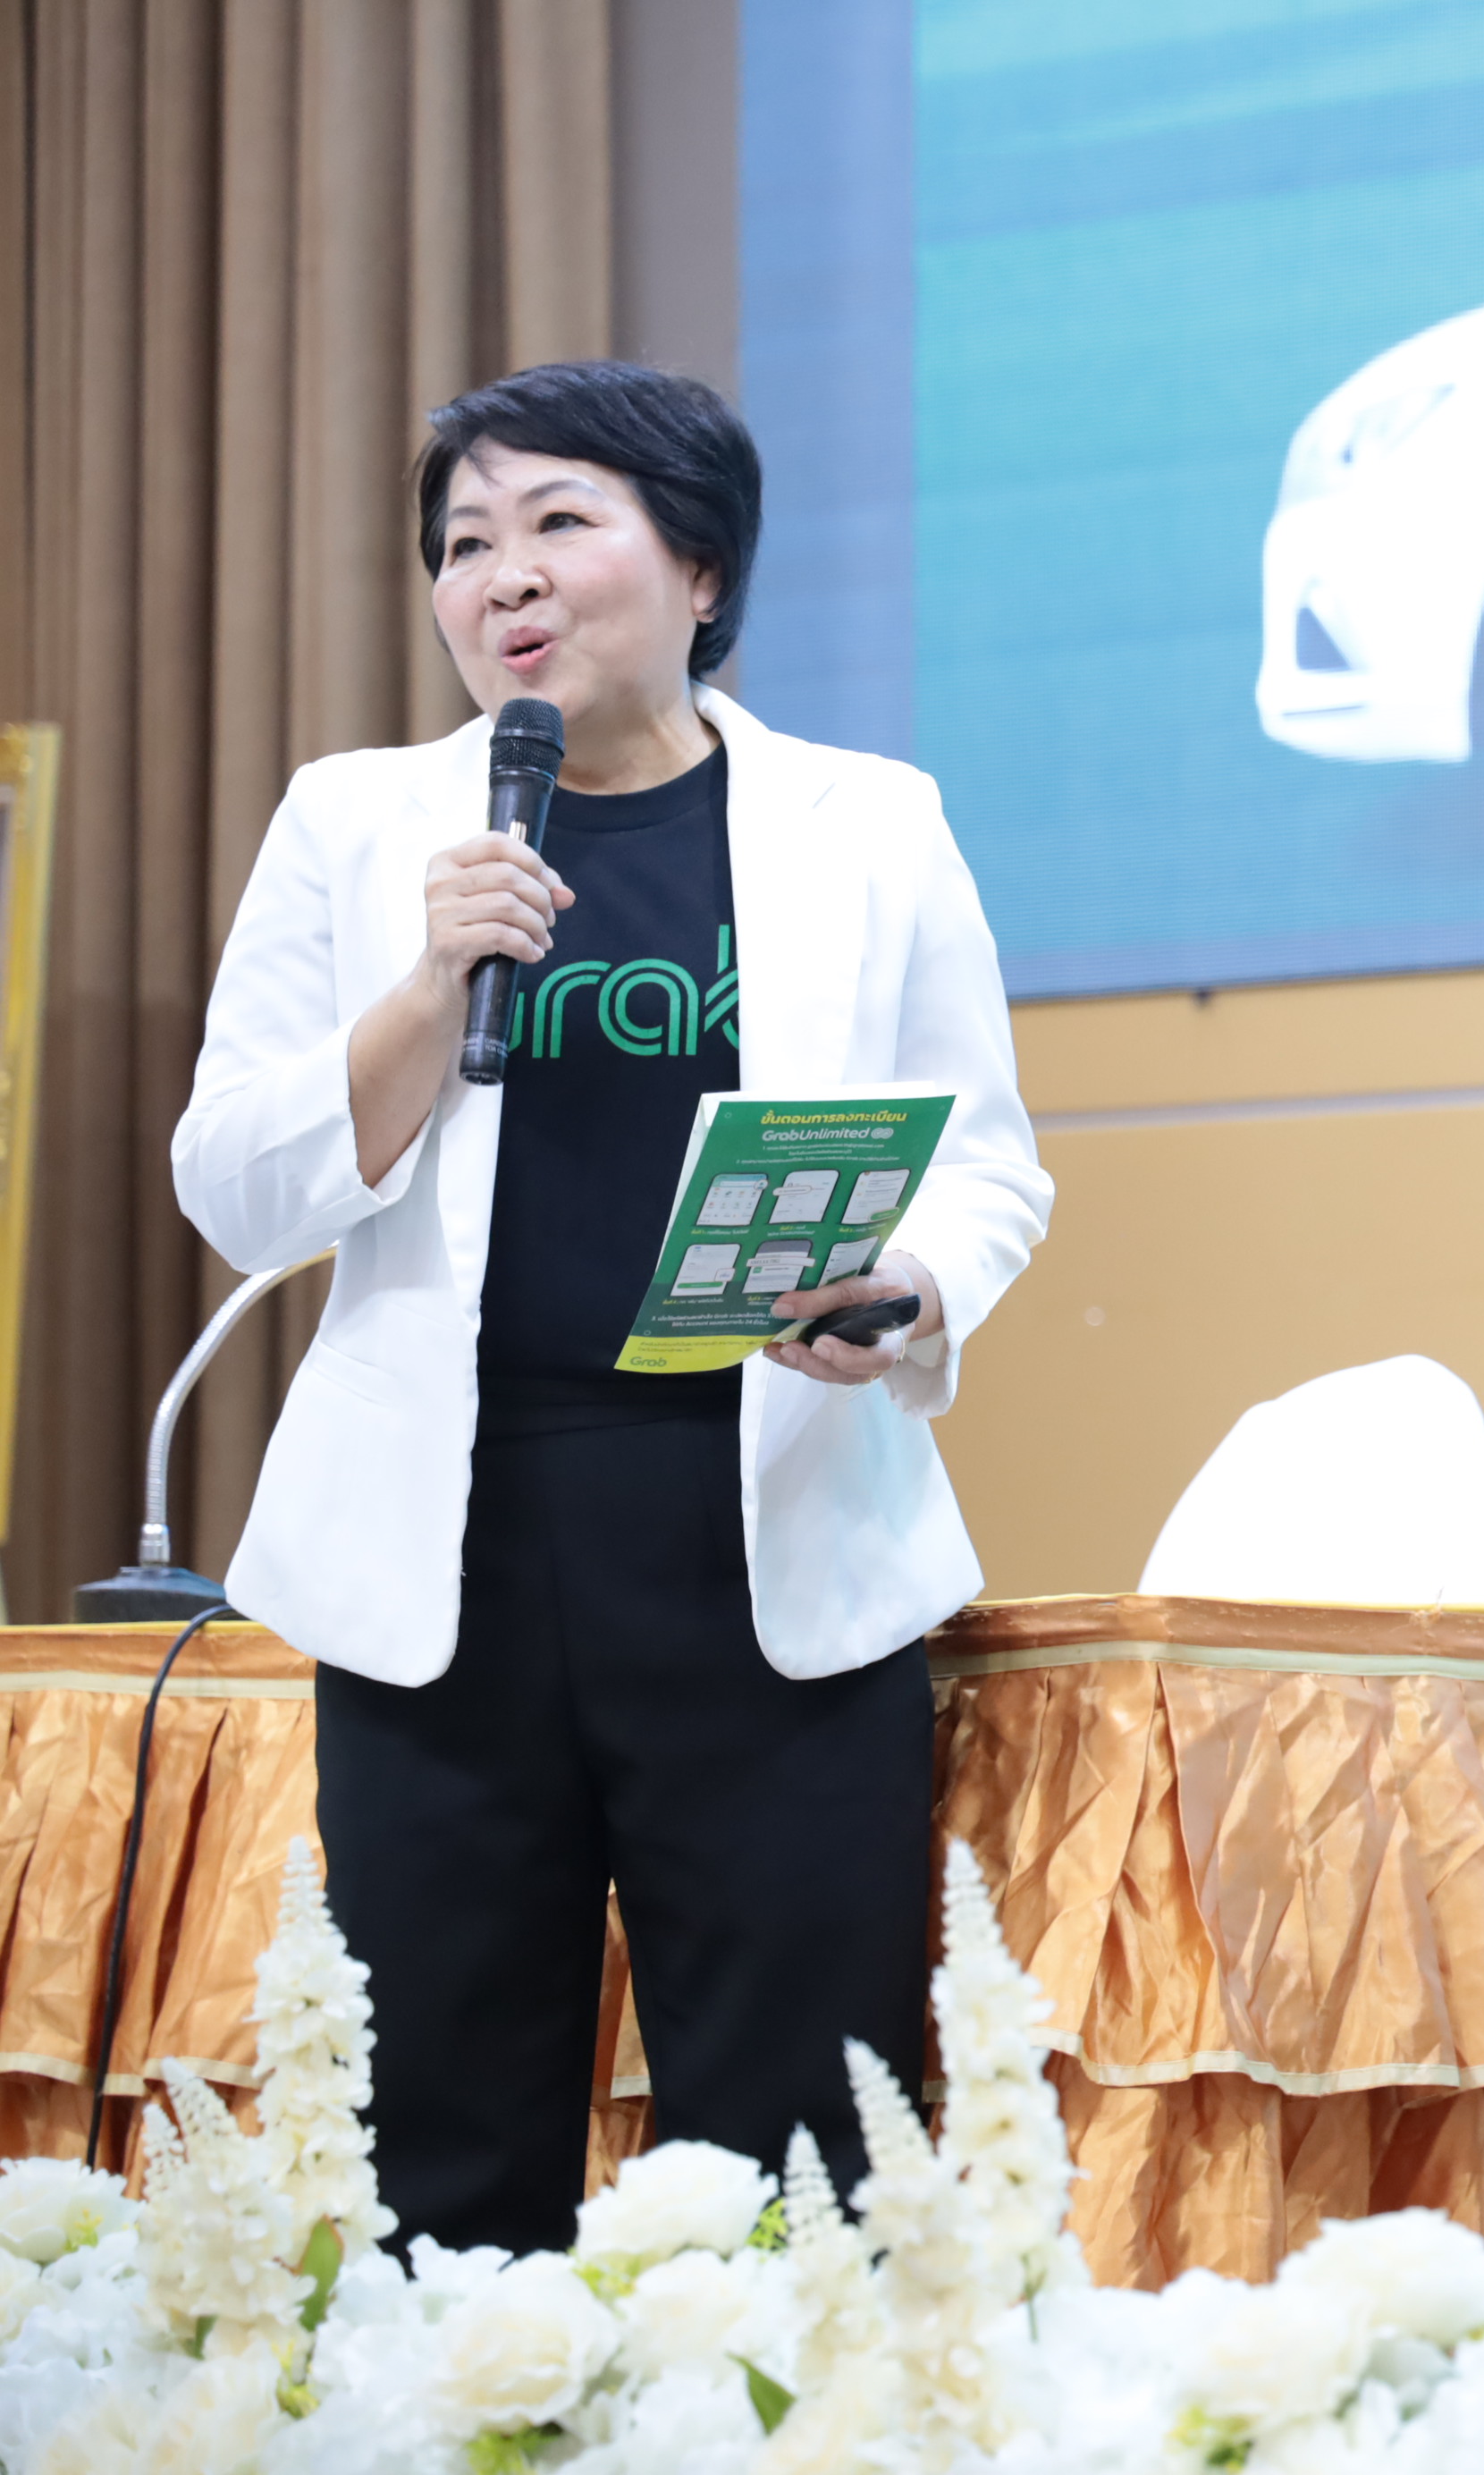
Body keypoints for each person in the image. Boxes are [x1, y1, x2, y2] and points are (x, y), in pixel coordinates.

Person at [172, 360, 1051, 2253]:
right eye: (463, 542)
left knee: (806, 2149)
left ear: (702, 569)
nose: (503, 576)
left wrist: (910, 1286)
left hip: (768, 1544)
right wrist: (426, 990)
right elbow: (234, 1181)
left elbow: (985, 1164)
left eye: (559, 522)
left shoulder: (869, 822)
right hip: (449, 1556)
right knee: (433, 2150)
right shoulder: (359, 823)